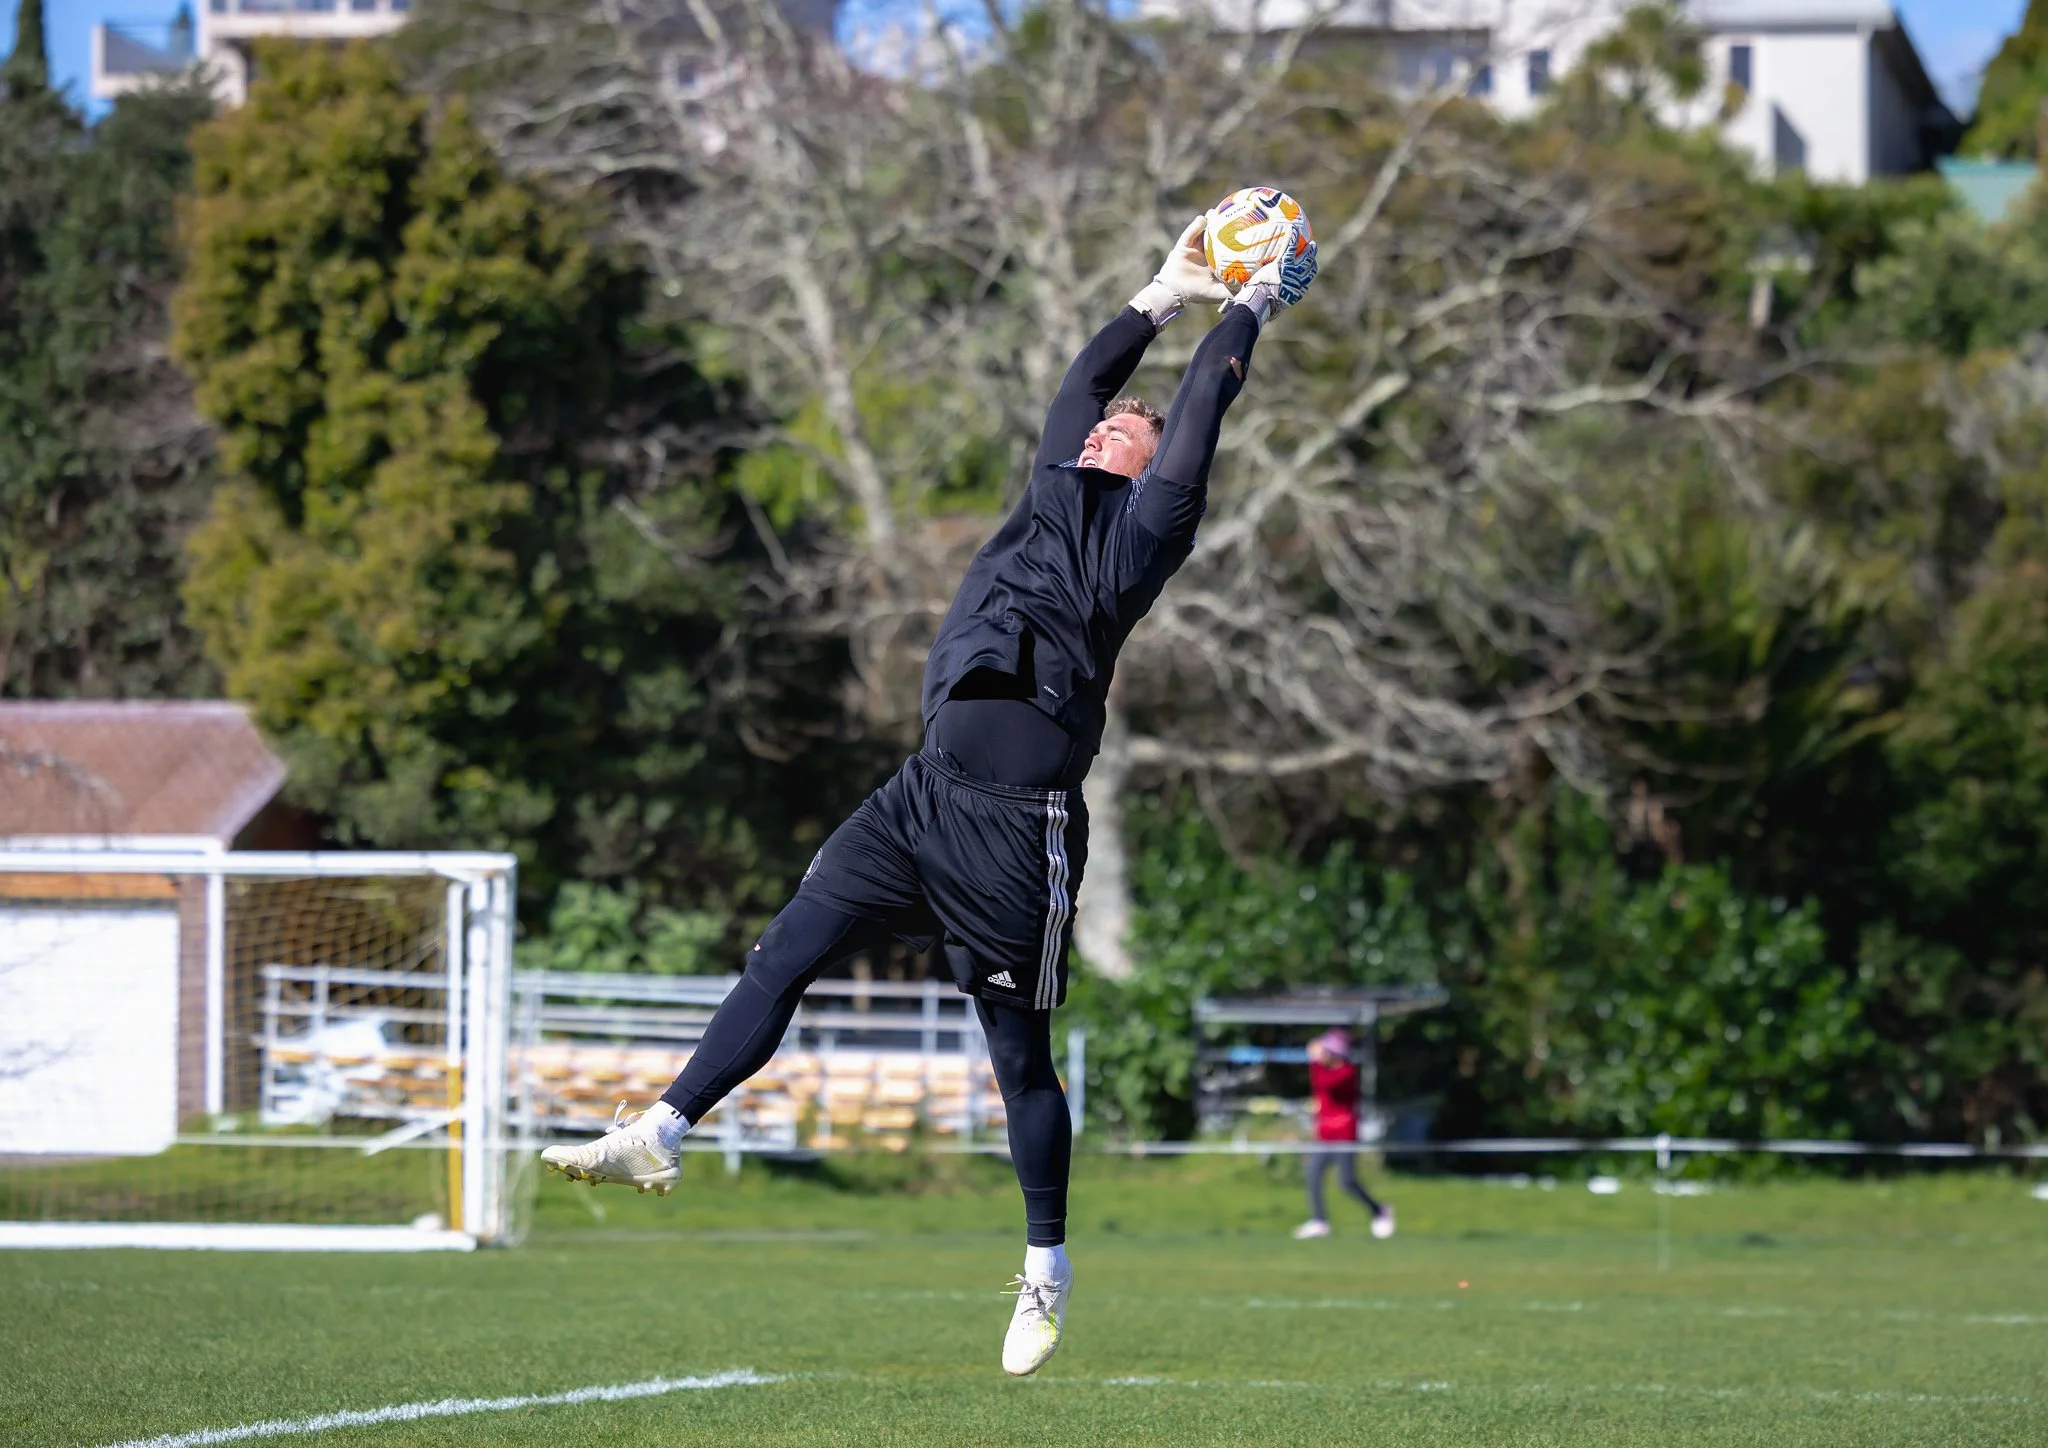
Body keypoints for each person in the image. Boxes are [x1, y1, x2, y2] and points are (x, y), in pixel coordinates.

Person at [540, 211, 1319, 1376]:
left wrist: (1250, 304)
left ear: (1149, 463)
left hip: (1017, 827)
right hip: (920, 793)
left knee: (1017, 1055)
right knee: (782, 950)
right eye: (1112, 421)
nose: (1112, 422)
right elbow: (1087, 375)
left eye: (1129, 430)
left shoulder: (1150, 525)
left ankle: (1045, 1270)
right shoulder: (1052, 484)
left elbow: (1201, 403)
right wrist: (1161, 292)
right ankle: (660, 1128)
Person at [1292, 1028, 1396, 1241]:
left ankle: (1379, 1210)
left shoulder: (1346, 1072)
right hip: (1325, 1134)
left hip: (1344, 1134)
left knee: (1346, 1181)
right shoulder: (1324, 1068)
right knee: (1313, 1175)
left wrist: (1314, 1060)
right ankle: (1319, 1221)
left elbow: (1324, 1084)